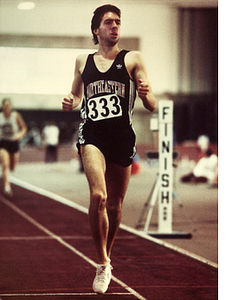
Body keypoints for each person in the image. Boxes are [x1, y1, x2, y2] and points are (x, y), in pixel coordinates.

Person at [62, 4, 157, 294]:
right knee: (99, 195)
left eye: (118, 22)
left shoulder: (132, 59)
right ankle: (102, 264)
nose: (115, 26)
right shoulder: (82, 61)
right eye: (108, 22)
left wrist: (146, 96)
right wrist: (70, 101)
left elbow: (152, 103)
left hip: (122, 137)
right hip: (92, 134)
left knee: (115, 206)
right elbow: (76, 96)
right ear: (96, 30)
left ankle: (108, 255)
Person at [0, 98, 27, 196]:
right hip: (3, 143)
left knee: (12, 167)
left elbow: (24, 128)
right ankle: (7, 187)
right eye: (5, 105)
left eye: (8, 105)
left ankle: (6, 176)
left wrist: (20, 135)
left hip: (13, 143)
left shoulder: (16, 115)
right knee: (5, 165)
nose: (6, 107)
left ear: (11, 106)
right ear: (2, 107)